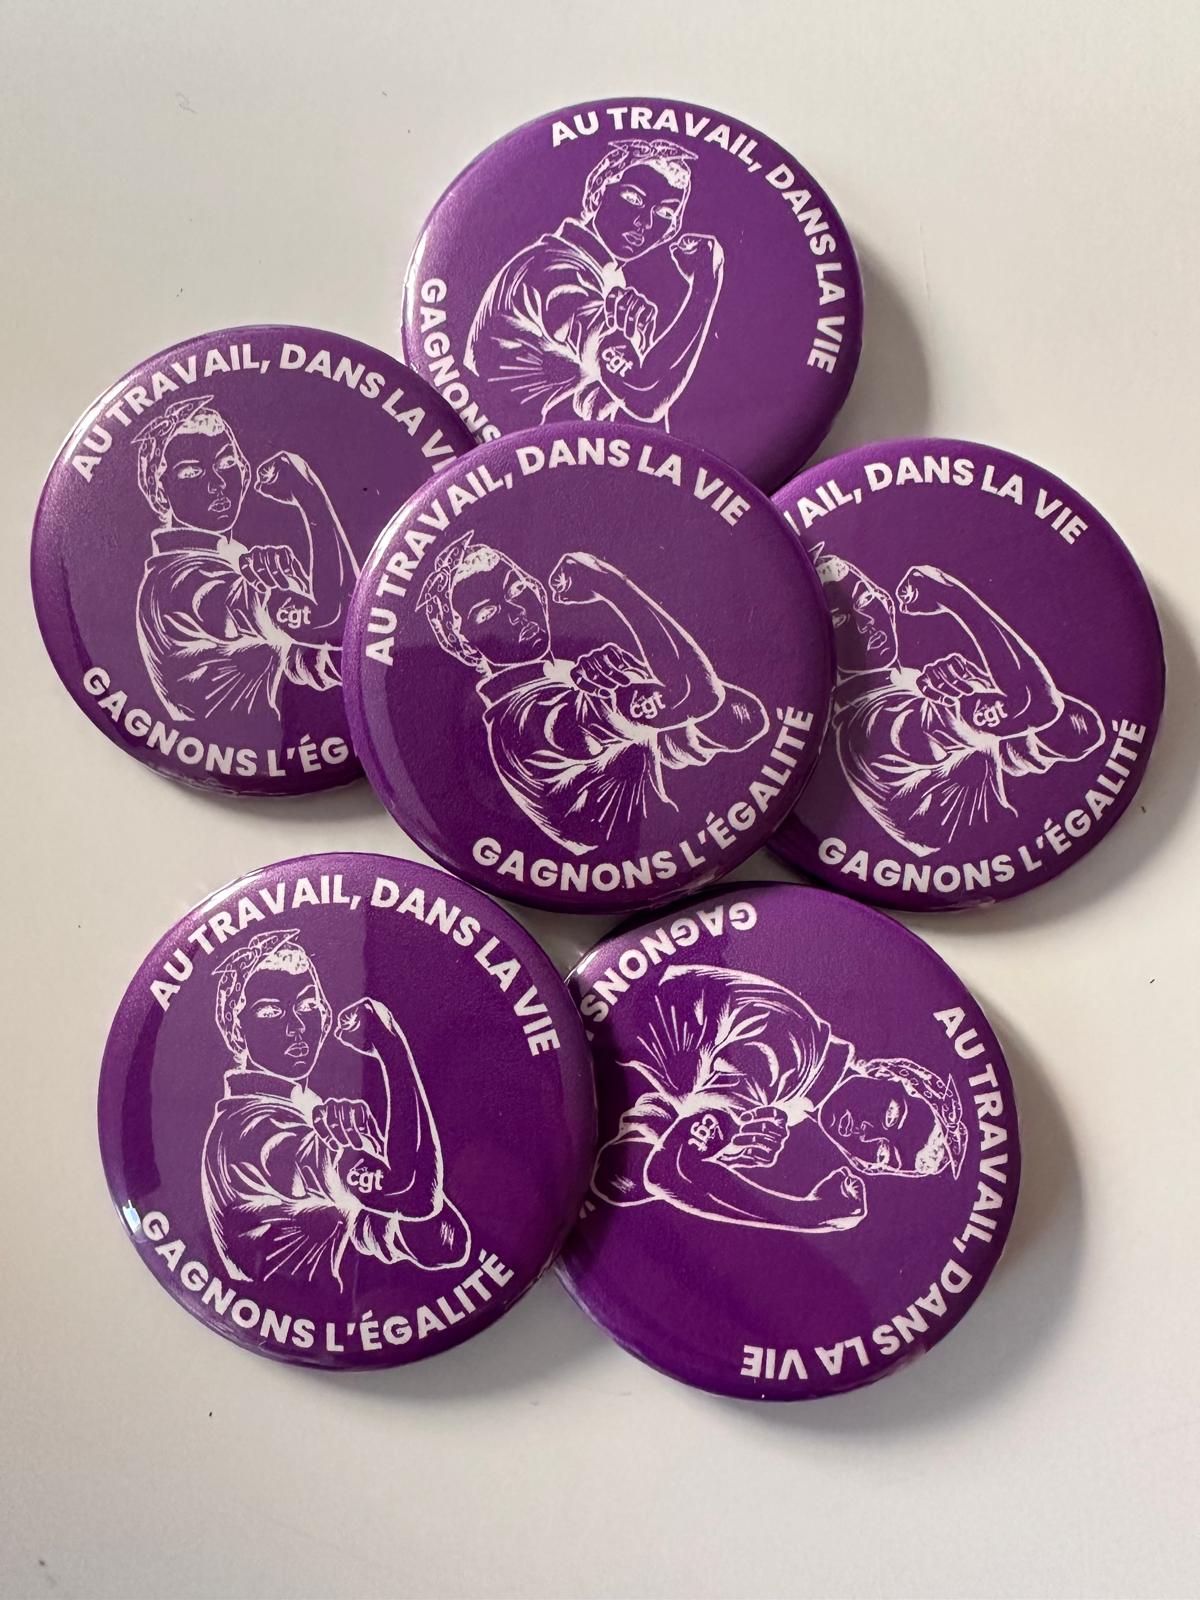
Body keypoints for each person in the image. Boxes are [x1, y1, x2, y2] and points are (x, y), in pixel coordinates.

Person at [418, 535, 768, 854]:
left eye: (517, 588)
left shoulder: (571, 680)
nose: (517, 612)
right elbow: (696, 697)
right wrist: (609, 584)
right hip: (638, 877)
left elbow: (739, 722)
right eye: (488, 613)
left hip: (675, 861)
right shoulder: (528, 720)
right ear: (465, 646)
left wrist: (645, 680)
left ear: (538, 590)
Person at [591, 964, 968, 1234]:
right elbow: (669, 1171)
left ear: (862, 1165)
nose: (868, 1134)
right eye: (890, 1115)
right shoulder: (791, 1048)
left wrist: (715, 1150)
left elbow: (617, 1177)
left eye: (883, 1154)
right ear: (886, 1074)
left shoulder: (791, 1099)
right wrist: (811, 1214)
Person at [200, 928, 470, 1288]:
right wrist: (391, 1048)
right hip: (288, 1318)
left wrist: (381, 1153)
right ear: (236, 1031)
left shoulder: (307, 1117)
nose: (296, 1026)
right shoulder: (254, 1131)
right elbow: (413, 1195)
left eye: (307, 1006)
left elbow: (443, 1244)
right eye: (271, 1011)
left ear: (325, 1016)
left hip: (356, 1320)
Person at [812, 550, 1105, 856]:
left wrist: (988, 688)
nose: (864, 623)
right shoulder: (872, 726)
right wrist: (952, 597)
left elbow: (1077, 733)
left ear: (886, 601)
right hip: (985, 864)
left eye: (865, 601)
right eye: (839, 618)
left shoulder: (916, 685)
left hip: (1022, 856)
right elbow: (1035, 707)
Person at [465, 138, 724, 428]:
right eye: (634, 199)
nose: (646, 223)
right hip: (495, 445)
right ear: (598, 191)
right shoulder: (557, 271)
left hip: (535, 446)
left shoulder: (604, 279)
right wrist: (704, 285)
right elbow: (644, 396)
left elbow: (605, 418)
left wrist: (633, 350)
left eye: (665, 213)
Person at [133, 395, 358, 722]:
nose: (217, 483)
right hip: (235, 746)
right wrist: (308, 495)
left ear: (245, 470)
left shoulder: (231, 562)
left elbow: (342, 648)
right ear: (159, 493)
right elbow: (336, 619)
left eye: (226, 463)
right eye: (192, 472)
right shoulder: (181, 582)